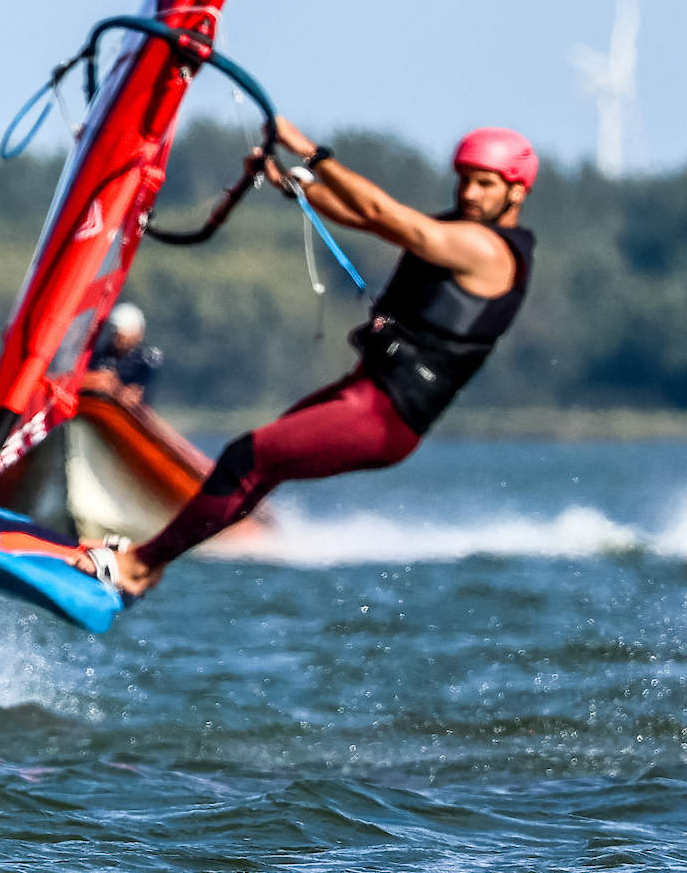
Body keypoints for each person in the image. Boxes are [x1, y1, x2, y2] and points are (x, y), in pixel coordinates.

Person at [75, 123, 536, 598]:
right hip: (366, 391)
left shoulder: (489, 251)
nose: (469, 192)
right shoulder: (460, 231)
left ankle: (140, 565)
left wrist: (312, 154)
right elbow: (369, 220)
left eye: (485, 183)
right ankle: (146, 561)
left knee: (246, 458)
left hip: (384, 415)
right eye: (464, 179)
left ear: (517, 191)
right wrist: (295, 185)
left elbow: (386, 213)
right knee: (256, 465)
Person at [84, 302, 163, 403]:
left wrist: (115, 388)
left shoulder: (143, 363)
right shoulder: (101, 354)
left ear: (137, 334)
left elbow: (136, 396)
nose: (118, 341)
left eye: (122, 337)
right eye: (116, 335)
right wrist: (95, 381)